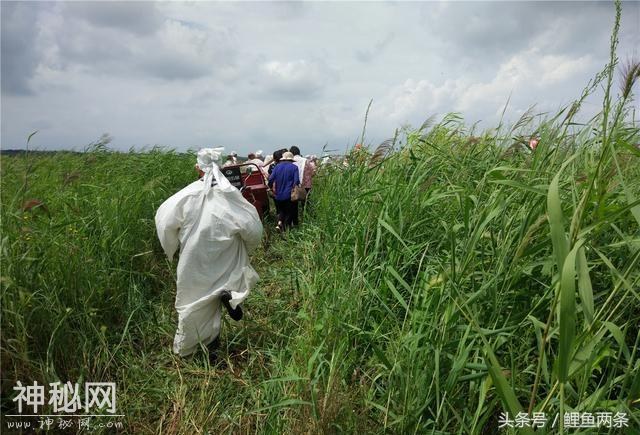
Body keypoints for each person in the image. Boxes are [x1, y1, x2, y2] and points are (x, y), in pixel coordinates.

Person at [155, 148, 263, 359]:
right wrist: (247, 247)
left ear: (198, 168)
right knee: (233, 269)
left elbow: (164, 221)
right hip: (226, 255)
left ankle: (190, 351)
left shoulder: (185, 196)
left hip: (194, 258)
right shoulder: (230, 195)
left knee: (193, 301)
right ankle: (231, 292)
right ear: (221, 166)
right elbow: (253, 229)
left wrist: (172, 246)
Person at [268, 151, 299, 231]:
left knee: (282, 211)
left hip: (278, 195)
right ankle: (285, 232)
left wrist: (271, 187)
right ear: (291, 160)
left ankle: (280, 225)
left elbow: (271, 179)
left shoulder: (277, 167)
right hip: (289, 196)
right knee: (289, 214)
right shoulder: (294, 168)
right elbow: (296, 181)